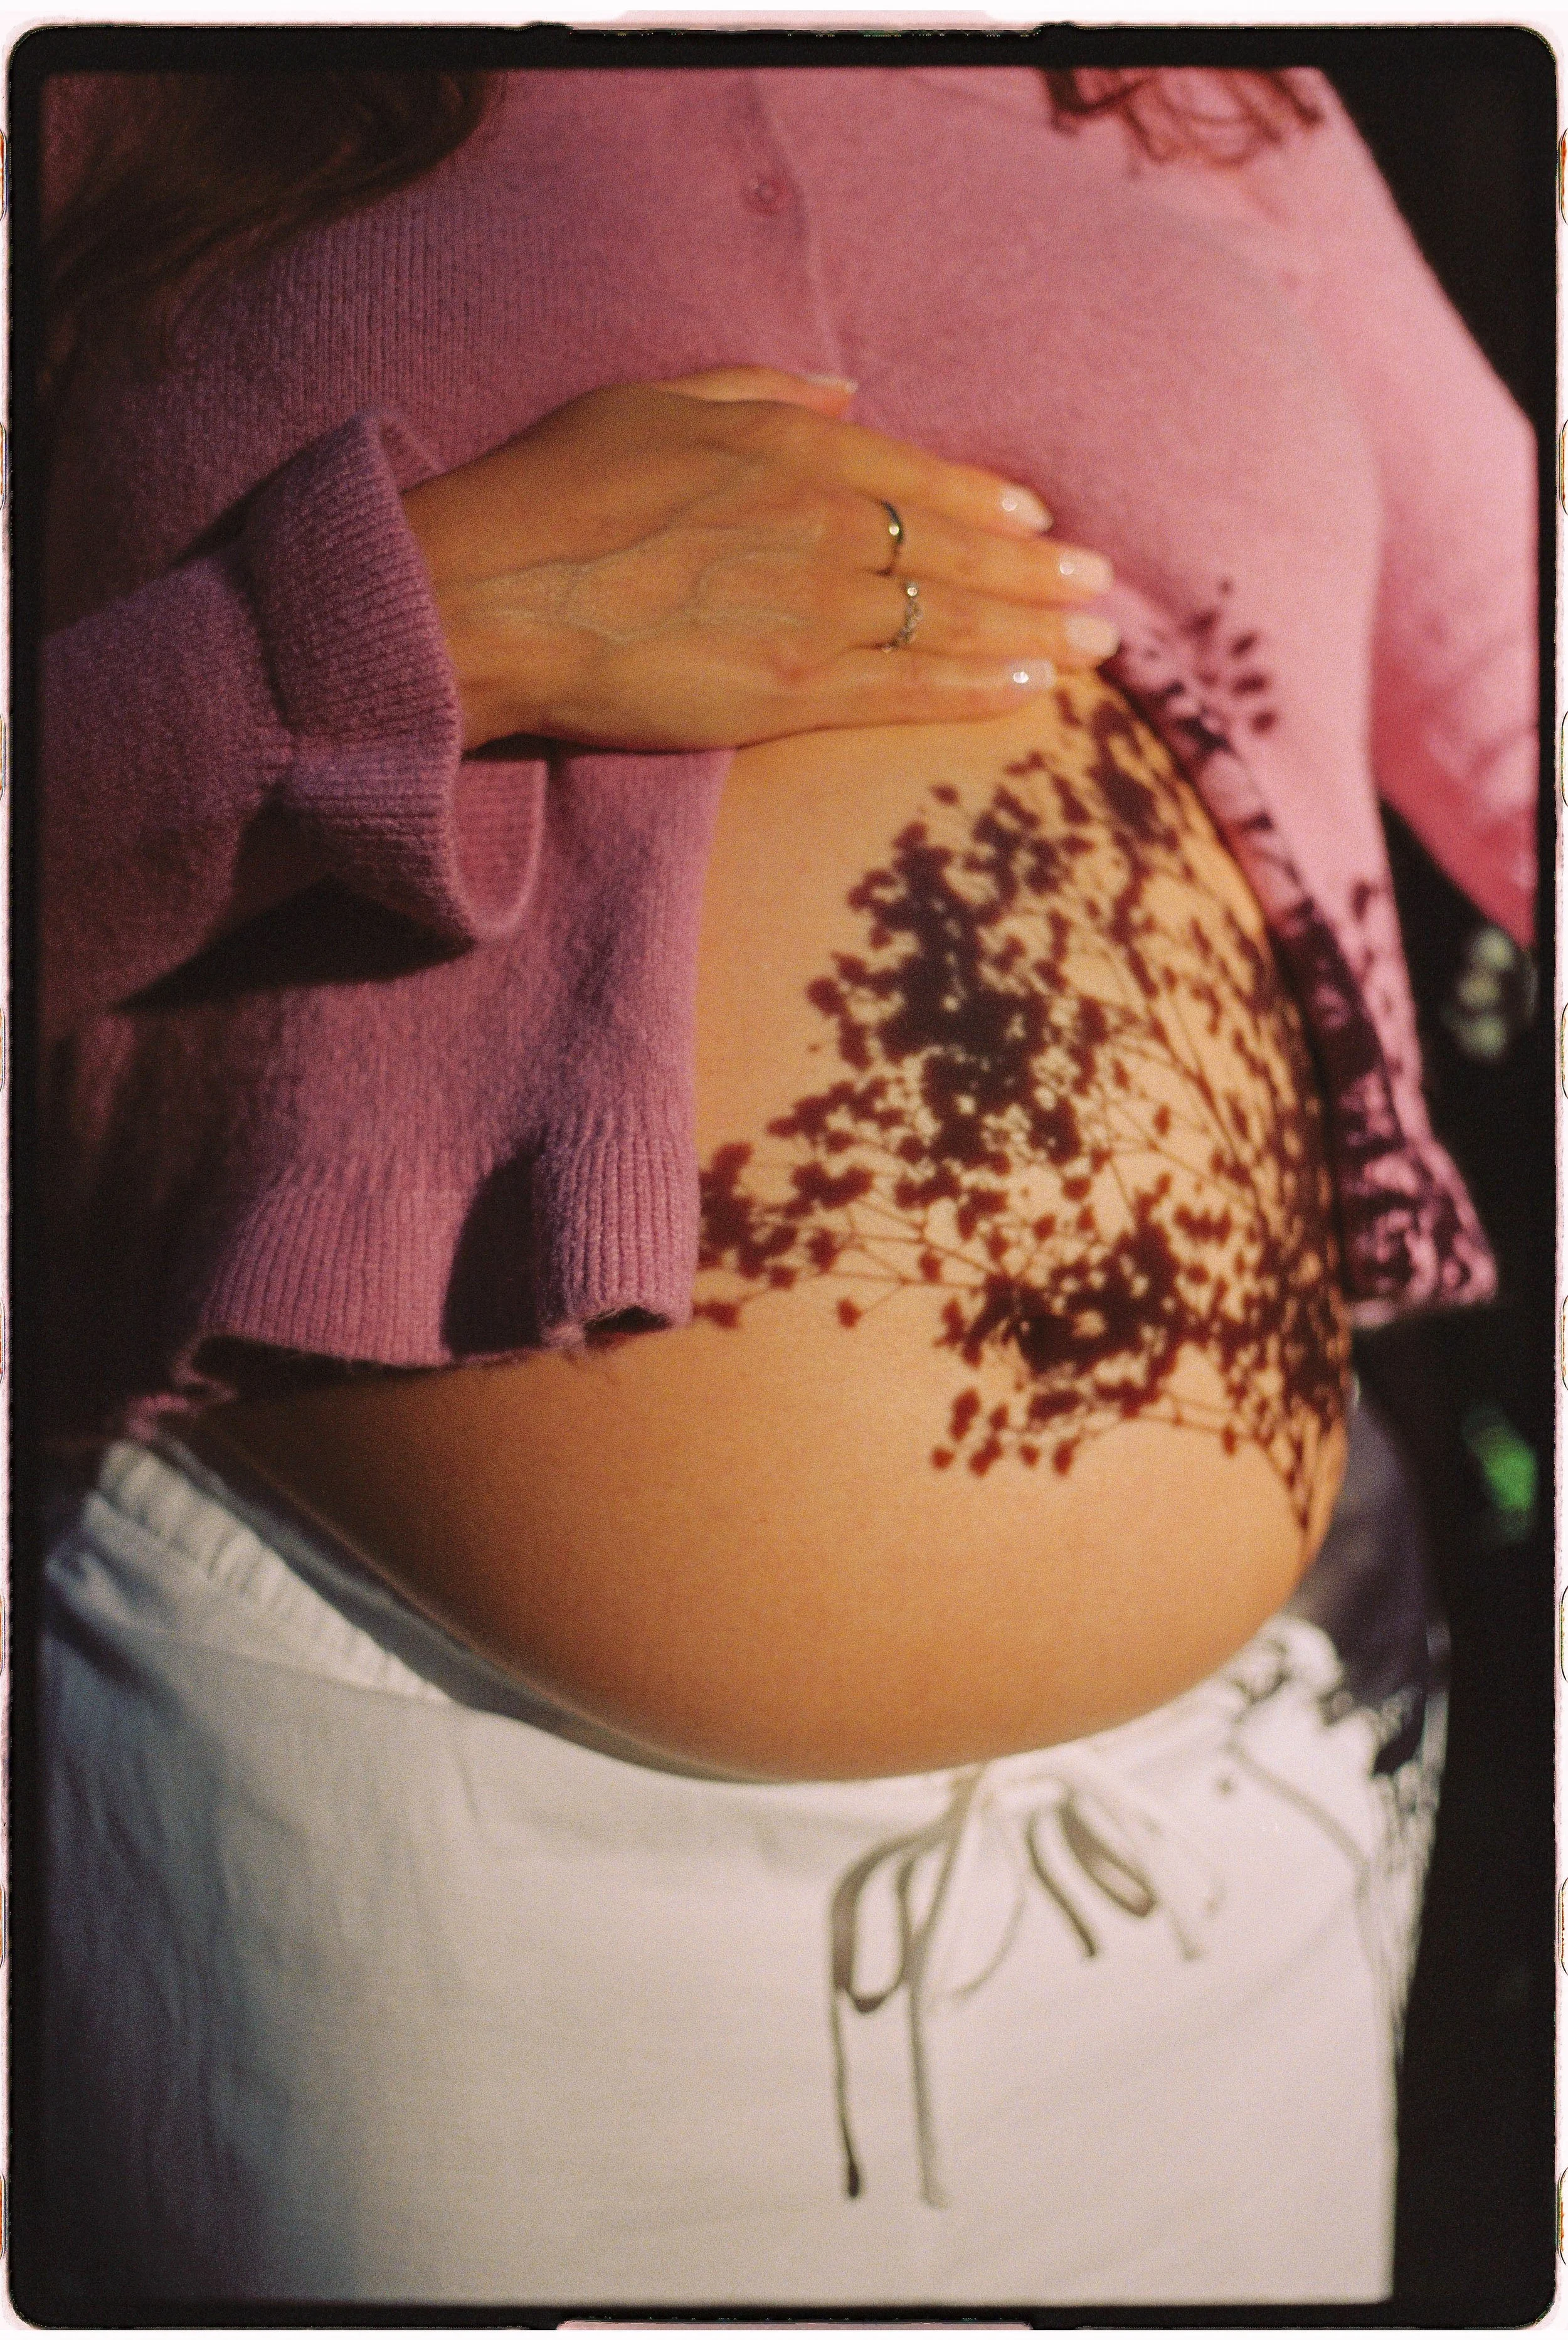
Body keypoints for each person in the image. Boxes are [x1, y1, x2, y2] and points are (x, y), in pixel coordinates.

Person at [35, 54, 1535, 2306]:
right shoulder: (102, 92)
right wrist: (375, 638)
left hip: (1227, 1830)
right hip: (425, 1871)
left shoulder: (1194, 85)